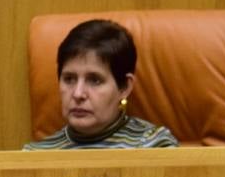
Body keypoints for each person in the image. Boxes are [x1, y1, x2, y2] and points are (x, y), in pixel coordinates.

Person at [23, 19, 178, 152]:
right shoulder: (35, 155)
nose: (78, 94)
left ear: (124, 87)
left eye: (95, 80)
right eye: (69, 79)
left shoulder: (155, 146)